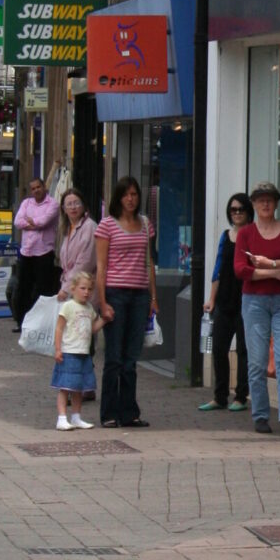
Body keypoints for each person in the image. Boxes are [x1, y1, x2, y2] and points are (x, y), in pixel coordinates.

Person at [234, 183, 280, 435]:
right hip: (254, 302)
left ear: (276, 204)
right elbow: (241, 270)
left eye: (270, 200)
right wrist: (276, 271)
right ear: (253, 204)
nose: (265, 204)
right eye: (260, 200)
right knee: (257, 362)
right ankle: (261, 415)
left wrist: (267, 264)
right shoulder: (246, 234)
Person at [96, 177, 158, 429]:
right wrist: (102, 301)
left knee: (132, 357)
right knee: (114, 357)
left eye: (134, 194)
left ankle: (129, 412)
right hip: (115, 293)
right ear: (118, 198)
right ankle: (109, 413)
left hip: (140, 295)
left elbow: (149, 262)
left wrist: (153, 298)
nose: (131, 199)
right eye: (126, 195)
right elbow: (101, 266)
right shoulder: (106, 226)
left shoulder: (145, 225)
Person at [200, 192, 252, 413]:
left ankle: (241, 396)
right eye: (233, 210)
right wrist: (211, 299)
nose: (237, 213)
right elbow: (218, 269)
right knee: (219, 348)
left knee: (243, 350)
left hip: (246, 300)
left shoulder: (253, 235)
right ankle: (220, 396)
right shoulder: (225, 236)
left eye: (241, 209)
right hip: (224, 301)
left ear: (248, 211)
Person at [53, 270, 102, 430]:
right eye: (82, 288)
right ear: (73, 288)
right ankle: (61, 417)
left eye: (89, 289)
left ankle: (76, 416)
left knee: (78, 387)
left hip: (83, 353)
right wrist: (58, 349)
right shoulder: (68, 306)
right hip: (69, 352)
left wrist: (104, 320)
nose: (86, 292)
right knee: (66, 386)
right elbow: (59, 328)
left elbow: (92, 328)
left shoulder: (89, 308)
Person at [12, 176, 61, 330]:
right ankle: (22, 322)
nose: (36, 191)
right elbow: (18, 222)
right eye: (33, 188)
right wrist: (34, 223)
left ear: (44, 187)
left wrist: (32, 222)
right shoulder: (26, 203)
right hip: (27, 251)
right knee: (23, 288)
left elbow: (44, 221)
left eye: (38, 187)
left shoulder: (52, 204)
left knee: (42, 289)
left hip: (44, 252)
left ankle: (40, 323)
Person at [56, 187, 98, 298]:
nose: (73, 207)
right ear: (63, 209)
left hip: (85, 289)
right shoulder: (67, 229)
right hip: (71, 286)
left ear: (83, 206)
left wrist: (66, 288)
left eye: (76, 203)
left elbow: (85, 263)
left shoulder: (89, 226)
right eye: (69, 204)